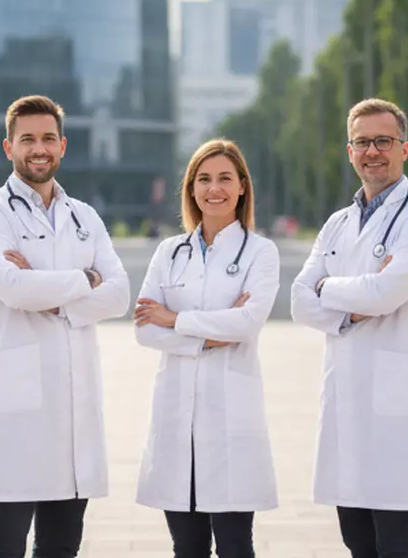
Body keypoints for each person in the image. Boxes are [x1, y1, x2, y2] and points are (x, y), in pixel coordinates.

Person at [0, 95, 131, 558]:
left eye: (48, 139)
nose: (39, 148)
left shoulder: (84, 217)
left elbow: (119, 294)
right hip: (18, 409)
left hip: (75, 412)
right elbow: (13, 289)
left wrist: (56, 299)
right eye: (28, 139)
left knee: (61, 547)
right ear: (8, 147)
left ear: (63, 146)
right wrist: (84, 280)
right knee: (3, 544)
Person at [289, 98, 408, 558]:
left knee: (397, 541)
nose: (372, 151)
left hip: (395, 403)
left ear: (405, 149)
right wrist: (351, 305)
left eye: (384, 141)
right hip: (346, 401)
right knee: (356, 539)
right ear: (349, 151)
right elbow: (300, 302)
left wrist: (328, 288)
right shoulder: (338, 224)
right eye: (363, 142)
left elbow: (385, 295)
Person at [132, 139, 280, 558]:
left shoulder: (260, 252)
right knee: (187, 548)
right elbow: (144, 330)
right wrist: (213, 336)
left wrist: (175, 320)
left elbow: (249, 322)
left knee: (236, 547)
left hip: (231, 417)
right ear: (191, 189)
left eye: (224, 179)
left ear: (242, 187)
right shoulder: (169, 252)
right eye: (204, 179)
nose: (214, 188)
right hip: (177, 421)